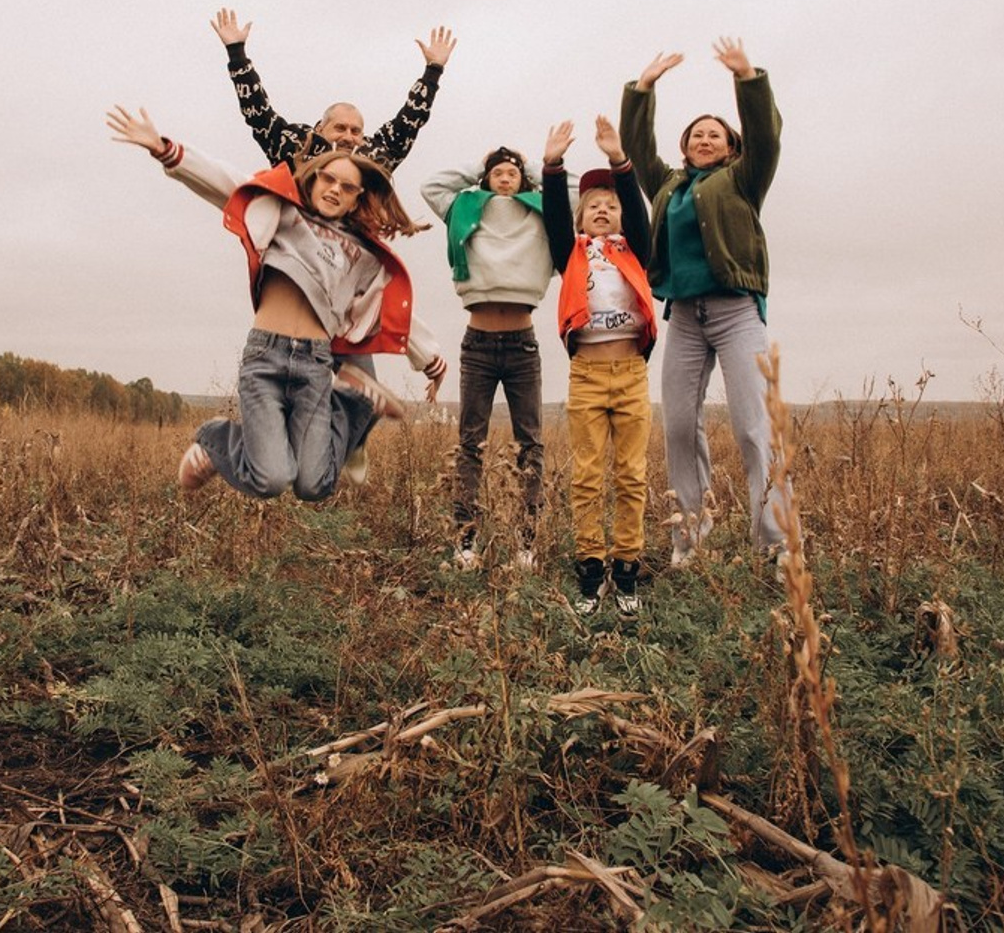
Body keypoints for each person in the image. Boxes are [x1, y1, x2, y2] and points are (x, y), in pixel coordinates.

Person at [106, 105, 447, 500]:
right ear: (314, 177)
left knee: (313, 485)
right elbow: (225, 182)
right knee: (270, 479)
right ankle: (217, 440)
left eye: (347, 187)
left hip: (316, 363)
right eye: (328, 179)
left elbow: (391, 308)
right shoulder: (281, 209)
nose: (335, 189)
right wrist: (165, 149)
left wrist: (430, 359)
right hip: (266, 357)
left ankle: (354, 401)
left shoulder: (363, 253)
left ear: (357, 200)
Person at [618, 36, 788, 569]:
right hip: (686, 318)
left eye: (715, 134)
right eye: (696, 135)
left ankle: (776, 543)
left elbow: (766, 137)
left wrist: (747, 81)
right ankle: (689, 535)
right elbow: (637, 148)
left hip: (737, 312)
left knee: (753, 426)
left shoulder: (743, 180)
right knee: (677, 425)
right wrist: (642, 88)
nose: (705, 139)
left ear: (730, 146)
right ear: (685, 146)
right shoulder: (668, 186)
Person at [420, 147, 555, 568]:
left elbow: (572, 195)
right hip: (477, 343)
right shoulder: (465, 208)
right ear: (484, 179)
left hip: (522, 344)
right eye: (496, 172)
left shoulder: (540, 214)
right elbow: (432, 186)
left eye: (512, 172)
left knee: (529, 443)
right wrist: (480, 164)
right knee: (470, 443)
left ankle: (526, 543)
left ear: (524, 180)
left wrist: (531, 165)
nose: (504, 177)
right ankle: (465, 542)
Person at [543, 117, 656, 616]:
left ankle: (627, 568)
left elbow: (637, 209)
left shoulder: (636, 251)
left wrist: (618, 162)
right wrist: (551, 166)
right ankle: (591, 570)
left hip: (631, 373)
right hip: (587, 375)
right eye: (593, 208)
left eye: (611, 206)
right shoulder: (570, 256)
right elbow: (551, 217)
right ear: (580, 220)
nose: (604, 211)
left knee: (631, 475)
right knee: (587, 476)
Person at [210, 7, 457, 169]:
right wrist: (236, 53)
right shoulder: (294, 146)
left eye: (355, 131)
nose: (348, 136)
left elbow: (410, 120)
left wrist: (433, 70)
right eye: (340, 128)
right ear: (320, 127)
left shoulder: (374, 157)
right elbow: (258, 112)